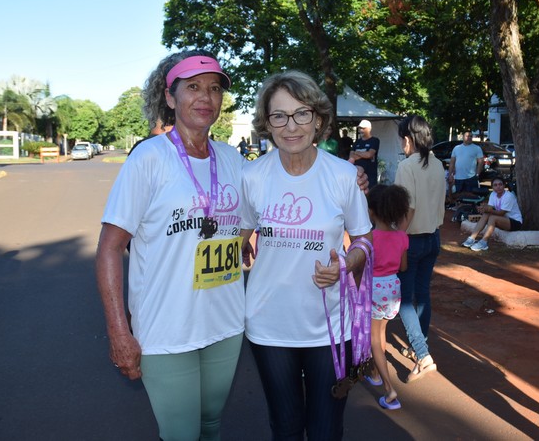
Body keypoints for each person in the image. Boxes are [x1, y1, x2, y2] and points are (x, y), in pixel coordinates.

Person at [95, 50, 245, 440]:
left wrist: (348, 181)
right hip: (166, 328)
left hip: (226, 323)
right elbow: (110, 247)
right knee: (181, 434)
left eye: (214, 89)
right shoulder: (149, 158)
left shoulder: (233, 159)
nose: (205, 97)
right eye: (192, 87)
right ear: (169, 96)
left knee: (211, 426)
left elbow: (261, 214)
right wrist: (118, 331)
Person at [240, 70, 372, 440]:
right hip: (268, 325)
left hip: (330, 327)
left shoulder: (344, 175)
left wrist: (346, 265)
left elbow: (363, 241)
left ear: (318, 119)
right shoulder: (251, 176)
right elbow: (236, 240)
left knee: (327, 428)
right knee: (284, 426)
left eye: (301, 114)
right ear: (267, 123)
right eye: (278, 116)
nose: (291, 126)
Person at [394, 114, 444, 382]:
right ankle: (418, 346)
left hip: (410, 239)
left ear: (407, 139)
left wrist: (396, 240)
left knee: (402, 300)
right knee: (422, 295)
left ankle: (423, 354)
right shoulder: (436, 163)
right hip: (433, 237)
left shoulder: (407, 166)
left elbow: (407, 209)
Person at [364, 184, 409, 410]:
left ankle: (389, 389)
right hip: (393, 288)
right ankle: (375, 374)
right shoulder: (401, 237)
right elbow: (403, 266)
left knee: (373, 338)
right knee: (381, 333)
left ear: (371, 210)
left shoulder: (369, 238)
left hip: (374, 288)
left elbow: (360, 267)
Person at [462, 176, 523, 251]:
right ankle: (472, 238)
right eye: (495, 185)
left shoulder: (509, 196)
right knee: (486, 214)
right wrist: (483, 209)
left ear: (504, 185)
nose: (498, 187)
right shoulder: (493, 194)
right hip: (504, 220)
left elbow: (501, 213)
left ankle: (484, 242)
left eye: (500, 184)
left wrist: (488, 210)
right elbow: (490, 208)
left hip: (515, 223)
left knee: (492, 217)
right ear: (492, 187)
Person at [349, 119, 380, 188]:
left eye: (363, 128)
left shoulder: (374, 140)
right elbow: (351, 156)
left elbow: (369, 154)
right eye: (359, 128)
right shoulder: (357, 142)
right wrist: (364, 154)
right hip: (357, 175)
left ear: (369, 129)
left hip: (370, 175)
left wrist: (357, 153)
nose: (360, 130)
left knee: (371, 195)